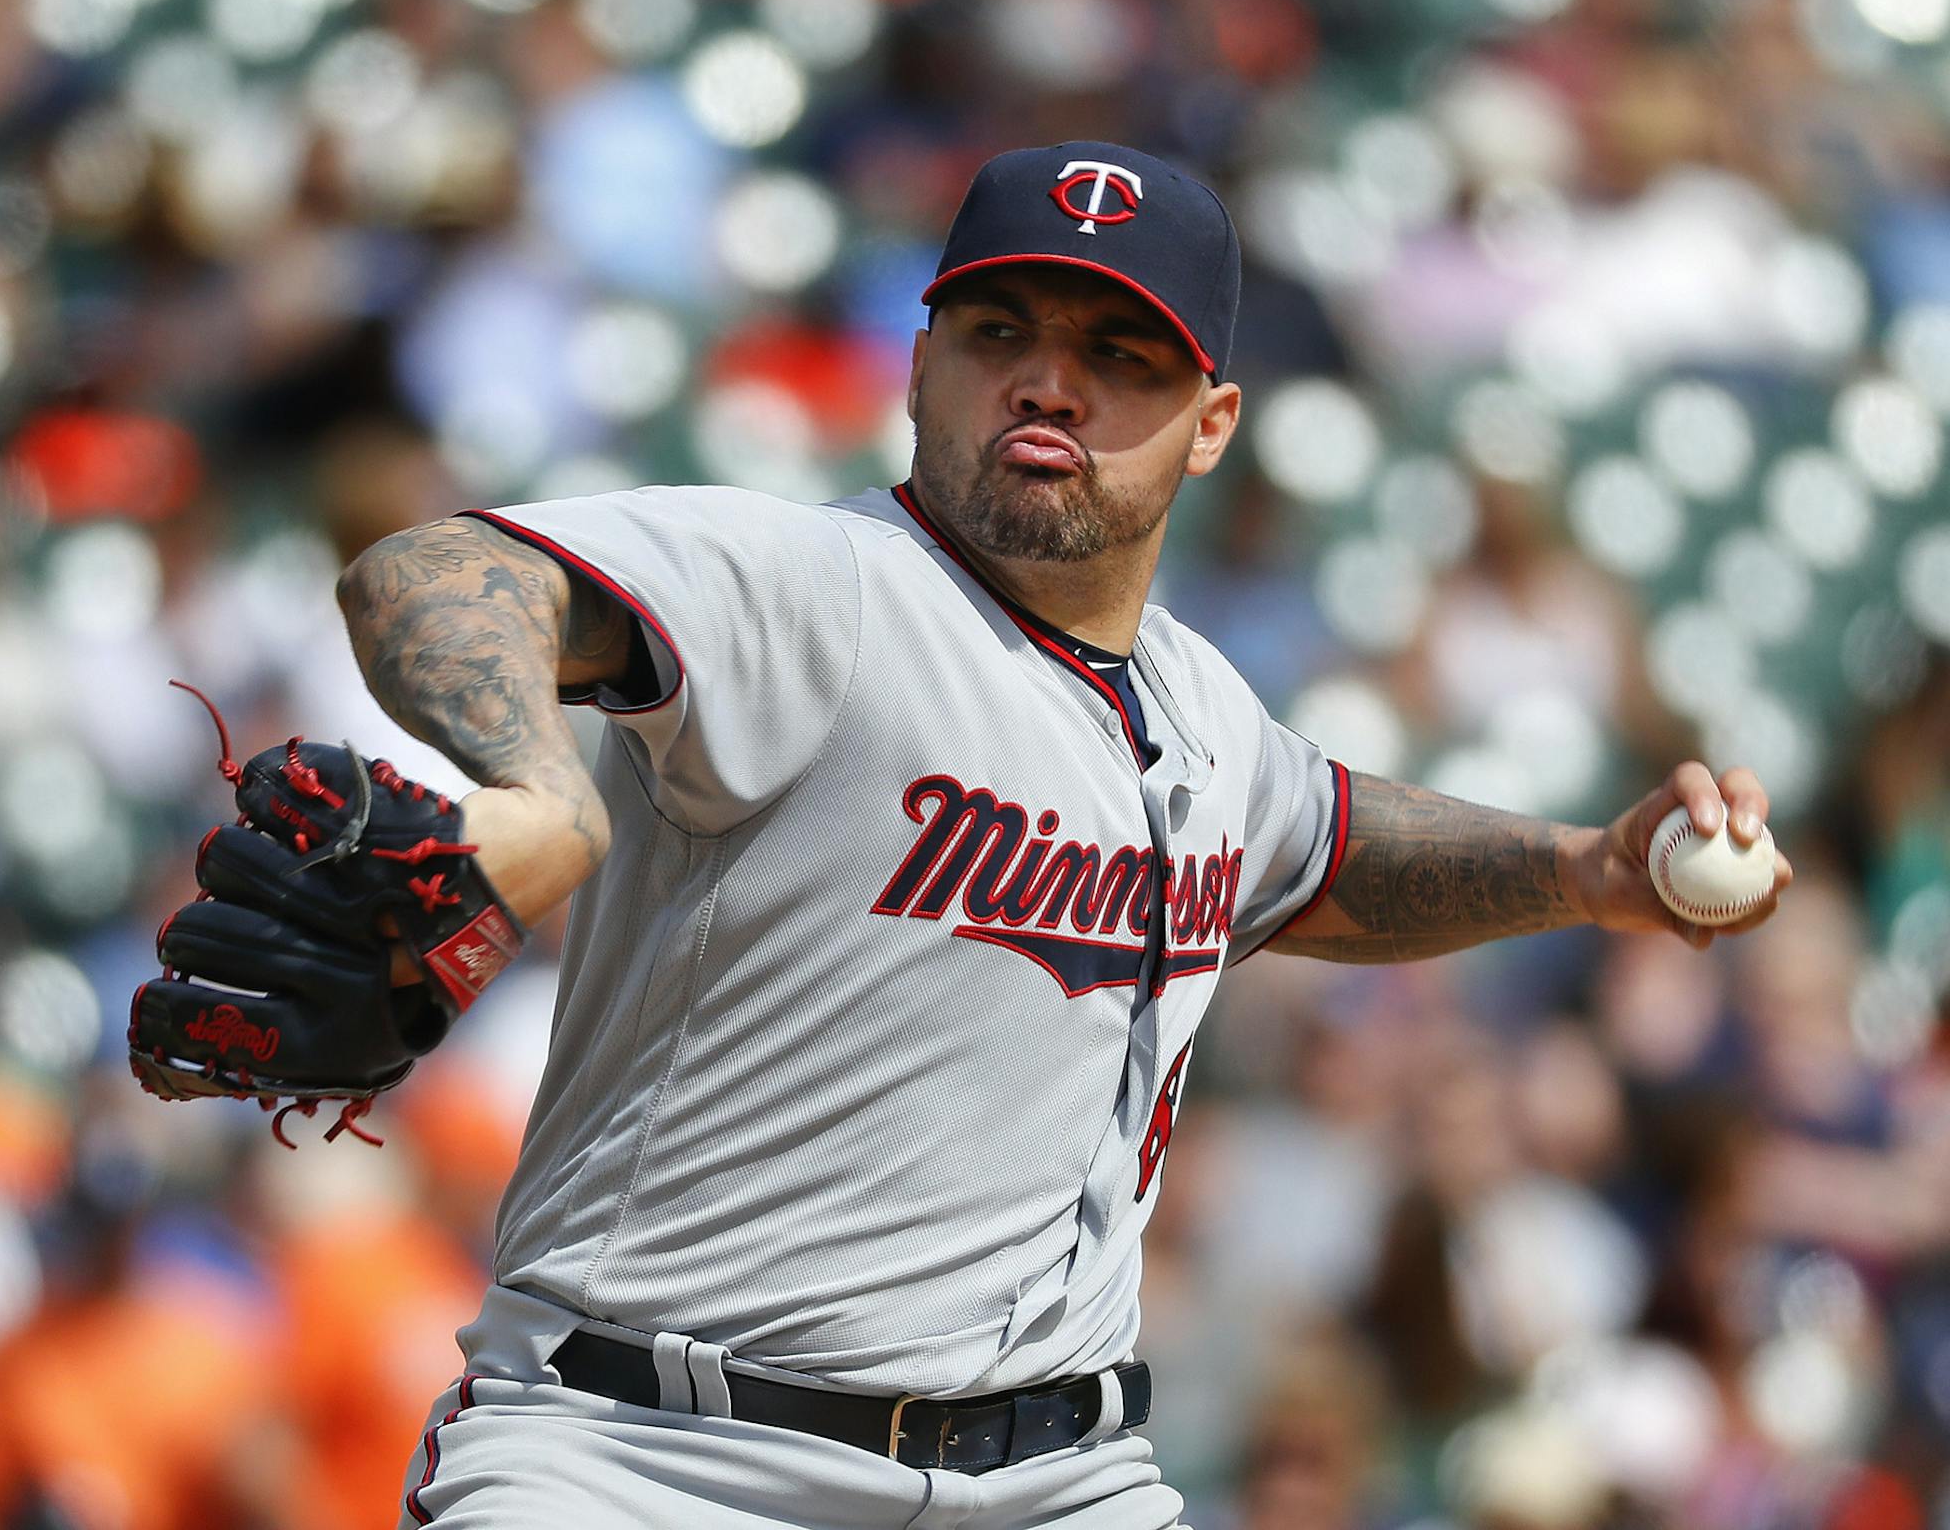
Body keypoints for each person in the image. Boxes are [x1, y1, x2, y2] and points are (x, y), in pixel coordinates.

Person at [323, 141, 1791, 1530]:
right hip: (657, 1456)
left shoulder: (1202, 708)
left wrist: (1588, 872)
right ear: (920, 365)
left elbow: (1322, 850)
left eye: (1119, 355)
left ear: (1213, 423)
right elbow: (439, 573)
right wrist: (539, 784)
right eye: (999, 331)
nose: (1048, 382)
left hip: (1055, 1477)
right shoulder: (822, 590)